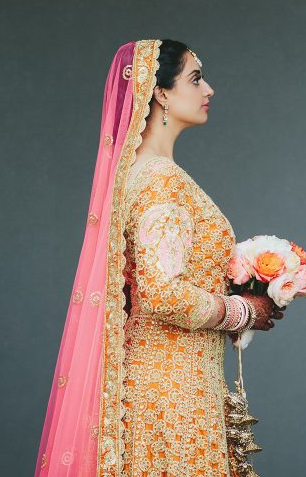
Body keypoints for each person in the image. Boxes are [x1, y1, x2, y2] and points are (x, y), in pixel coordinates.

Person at [33, 39, 283, 477]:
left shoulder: (139, 173)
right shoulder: (161, 181)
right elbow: (161, 293)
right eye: (196, 78)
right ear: (161, 92)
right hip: (170, 394)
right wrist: (242, 309)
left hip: (167, 381)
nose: (209, 90)